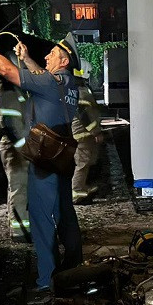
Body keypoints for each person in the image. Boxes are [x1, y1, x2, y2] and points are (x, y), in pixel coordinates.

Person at [0, 31, 83, 291]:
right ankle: (74, 265)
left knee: (41, 218)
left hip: (45, 158)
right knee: (65, 212)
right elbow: (42, 76)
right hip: (63, 155)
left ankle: (47, 280)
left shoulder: (50, 83)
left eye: (52, 54)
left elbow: (7, 70)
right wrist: (27, 58)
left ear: (64, 61)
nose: (47, 57)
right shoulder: (68, 84)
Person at [0, 70, 30, 242]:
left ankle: (21, 227)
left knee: (19, 188)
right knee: (18, 188)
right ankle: (20, 232)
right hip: (15, 146)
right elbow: (11, 123)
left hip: (16, 145)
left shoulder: (12, 89)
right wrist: (23, 147)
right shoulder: (6, 91)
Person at [71, 69, 104, 204]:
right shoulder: (81, 93)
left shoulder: (73, 92)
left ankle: (81, 188)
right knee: (82, 164)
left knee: (84, 162)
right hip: (83, 135)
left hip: (80, 134)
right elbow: (85, 116)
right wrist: (96, 131)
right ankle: (77, 192)